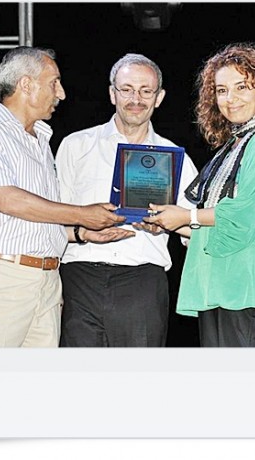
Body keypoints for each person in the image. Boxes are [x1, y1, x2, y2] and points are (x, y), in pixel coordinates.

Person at [0, 46, 129, 348]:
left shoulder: (41, 141)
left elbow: (34, 222)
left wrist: (81, 233)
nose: (62, 94)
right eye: (54, 83)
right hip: (2, 281)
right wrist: (82, 214)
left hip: (47, 283)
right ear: (26, 84)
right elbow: (9, 201)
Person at [144, 43, 255, 347]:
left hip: (244, 290)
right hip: (217, 286)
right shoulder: (232, 146)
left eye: (241, 87)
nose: (231, 98)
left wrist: (184, 216)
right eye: (222, 90)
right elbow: (217, 226)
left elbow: (241, 217)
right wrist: (169, 222)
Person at [55, 53, 198, 347]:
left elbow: (195, 230)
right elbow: (53, 217)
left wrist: (168, 224)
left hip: (142, 283)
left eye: (146, 91)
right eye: (127, 89)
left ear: (159, 97)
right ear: (112, 93)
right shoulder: (76, 145)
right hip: (79, 277)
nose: (136, 99)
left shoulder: (175, 159)